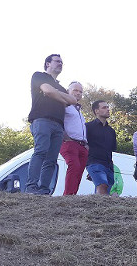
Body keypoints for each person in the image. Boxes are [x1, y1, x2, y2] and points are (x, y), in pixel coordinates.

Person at [26, 54, 78, 195]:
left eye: (62, 62)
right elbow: (48, 91)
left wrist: (54, 93)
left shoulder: (61, 86)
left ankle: (44, 190)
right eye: (57, 61)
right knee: (40, 151)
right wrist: (60, 96)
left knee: (52, 159)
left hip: (58, 125)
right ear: (48, 63)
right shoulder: (38, 76)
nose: (60, 64)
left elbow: (72, 100)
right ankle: (31, 187)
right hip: (41, 119)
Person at [60, 81, 88, 195]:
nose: (78, 93)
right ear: (68, 91)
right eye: (75, 90)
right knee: (74, 166)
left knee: (80, 170)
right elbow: (58, 122)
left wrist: (86, 145)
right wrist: (66, 138)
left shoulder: (79, 111)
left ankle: (73, 195)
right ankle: (68, 196)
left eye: (80, 91)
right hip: (69, 143)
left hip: (82, 145)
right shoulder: (64, 106)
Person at [85, 100, 117, 195]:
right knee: (102, 186)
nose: (108, 109)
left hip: (108, 166)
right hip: (94, 163)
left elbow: (112, 148)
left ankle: (96, 209)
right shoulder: (87, 127)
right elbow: (83, 145)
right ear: (96, 111)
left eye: (108, 107)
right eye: (104, 107)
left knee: (105, 192)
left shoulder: (111, 131)